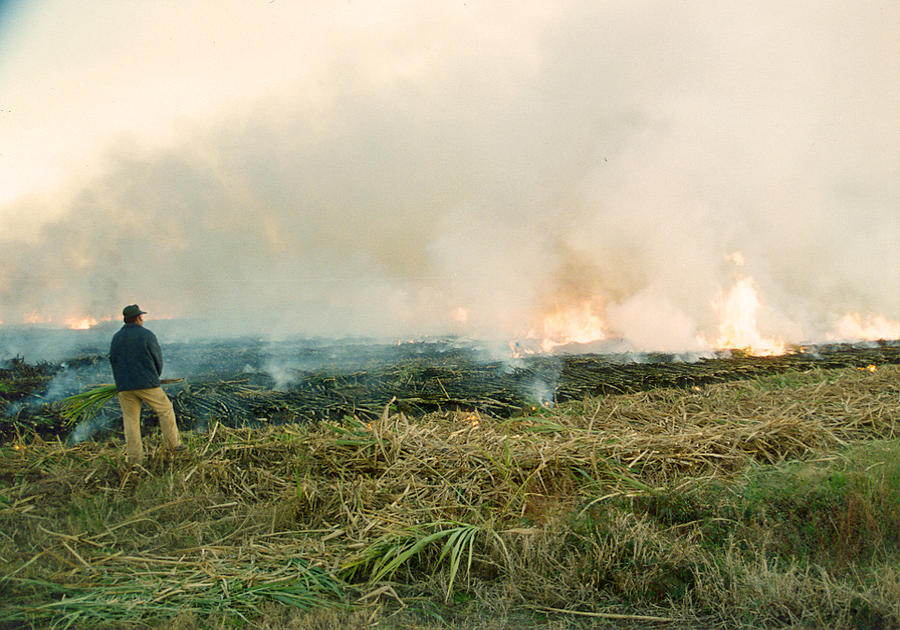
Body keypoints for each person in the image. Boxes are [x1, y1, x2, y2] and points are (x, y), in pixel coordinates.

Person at [109, 304, 184, 465]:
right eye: (141, 317)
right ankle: (174, 445)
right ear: (138, 318)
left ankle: (135, 460)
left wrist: (121, 381)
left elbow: (113, 360)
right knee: (165, 410)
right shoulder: (146, 335)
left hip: (124, 387)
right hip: (147, 384)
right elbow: (157, 357)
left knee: (130, 421)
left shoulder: (116, 337)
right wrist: (155, 376)